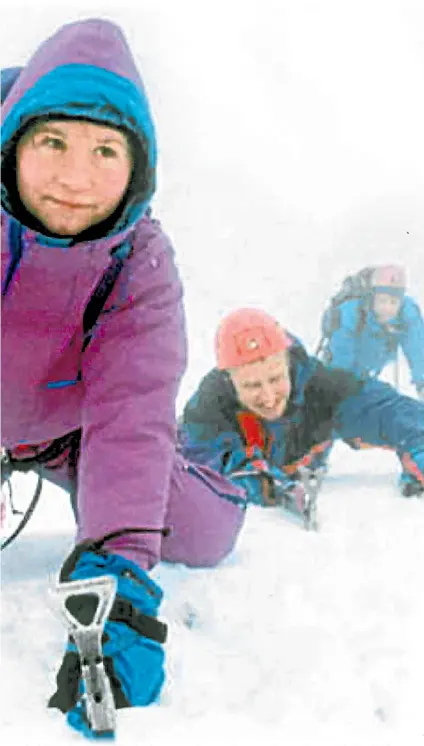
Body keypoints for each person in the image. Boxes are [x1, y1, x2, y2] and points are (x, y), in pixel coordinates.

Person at [1, 19, 246, 736]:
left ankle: (212, 468)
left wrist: (122, 579)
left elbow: (130, 410)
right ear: (13, 142)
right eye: (53, 142)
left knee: (202, 534)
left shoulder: (137, 264)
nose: (76, 178)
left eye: (105, 150)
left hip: (69, 436)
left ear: (138, 168)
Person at [180, 307, 424, 509]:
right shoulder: (208, 406)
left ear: (289, 365)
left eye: (275, 378)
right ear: (230, 382)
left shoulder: (322, 386)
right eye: (252, 386)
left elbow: (393, 409)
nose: (269, 397)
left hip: (301, 467)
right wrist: (264, 483)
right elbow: (204, 459)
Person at [317, 265, 424, 410]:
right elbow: (342, 355)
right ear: (371, 298)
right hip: (338, 368)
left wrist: (423, 388)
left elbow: (417, 350)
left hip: (370, 367)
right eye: (382, 301)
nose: (387, 308)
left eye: (393, 302)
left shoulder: (408, 314)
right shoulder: (351, 314)